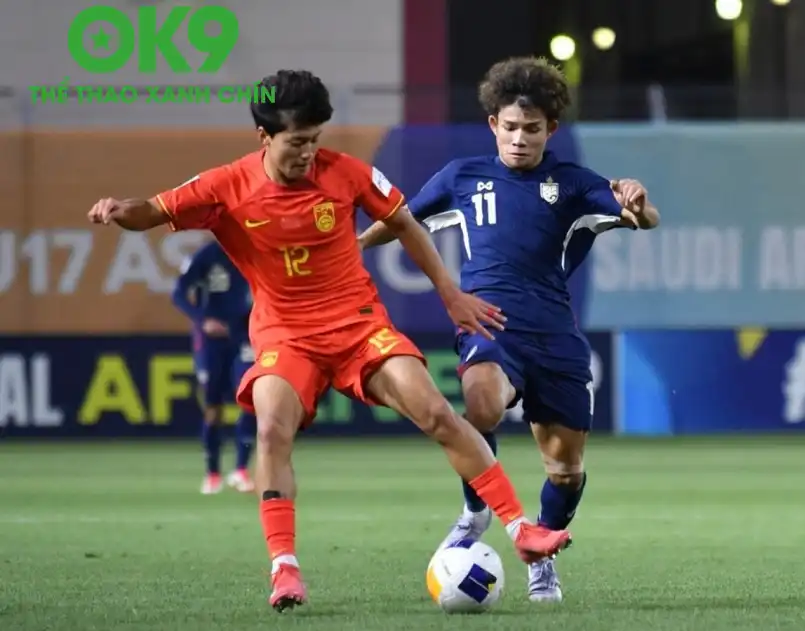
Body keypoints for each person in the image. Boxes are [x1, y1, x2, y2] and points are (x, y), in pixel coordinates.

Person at [87, 69, 574, 614]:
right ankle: (284, 569)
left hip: (359, 327)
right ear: (264, 137)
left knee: (437, 411)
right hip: (285, 335)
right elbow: (153, 210)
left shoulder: (346, 173)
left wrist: (449, 292)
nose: (308, 153)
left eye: (315, 140)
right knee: (271, 429)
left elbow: (406, 223)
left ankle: (520, 529)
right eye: (297, 142)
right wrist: (119, 210)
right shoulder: (227, 185)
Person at [357, 56, 660, 603]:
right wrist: (346, 248)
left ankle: (542, 560)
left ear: (551, 129)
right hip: (490, 323)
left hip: (556, 339)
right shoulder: (461, 177)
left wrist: (637, 200)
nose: (520, 139)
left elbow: (643, 218)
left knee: (565, 471)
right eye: (511, 127)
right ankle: (476, 512)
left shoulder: (573, 184)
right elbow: (399, 219)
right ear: (493, 124)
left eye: (532, 129)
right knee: (481, 406)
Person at [171, 239, 256, 495]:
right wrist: (202, 319)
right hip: (212, 341)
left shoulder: (255, 248)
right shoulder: (208, 255)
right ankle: (213, 472)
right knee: (213, 408)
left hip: (245, 336)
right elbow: (179, 293)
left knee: (252, 398)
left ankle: (241, 469)